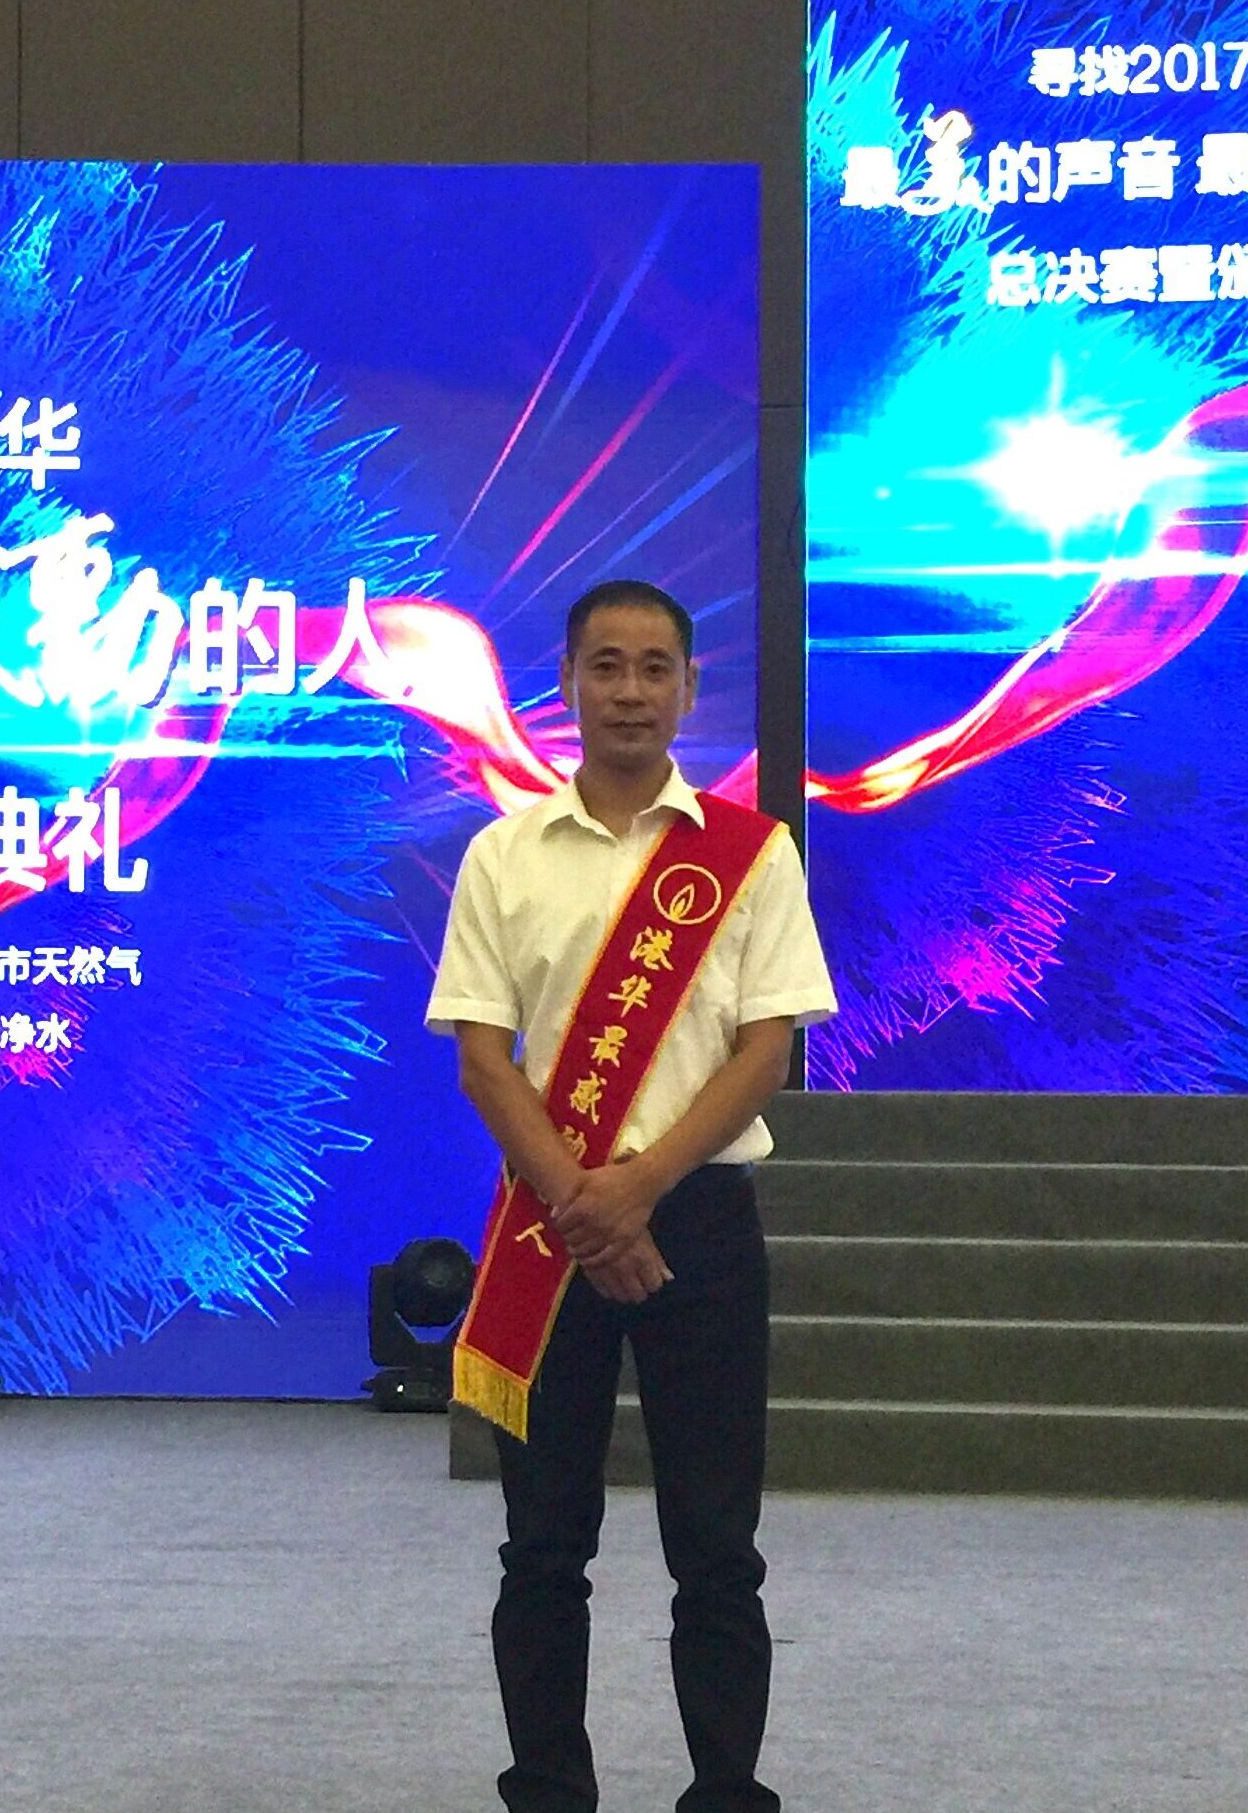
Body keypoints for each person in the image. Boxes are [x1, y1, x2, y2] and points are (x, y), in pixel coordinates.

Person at [427, 579, 837, 1813]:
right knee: (541, 1546)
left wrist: (639, 1187)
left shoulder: (749, 855)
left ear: (688, 689)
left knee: (715, 1546)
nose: (629, 691)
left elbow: (764, 1050)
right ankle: (548, 1788)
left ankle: (725, 1791)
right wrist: (582, 1201)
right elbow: (482, 1058)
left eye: (654, 668)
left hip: (697, 1218)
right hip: (548, 1227)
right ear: (565, 684)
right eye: (604, 666)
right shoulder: (504, 855)